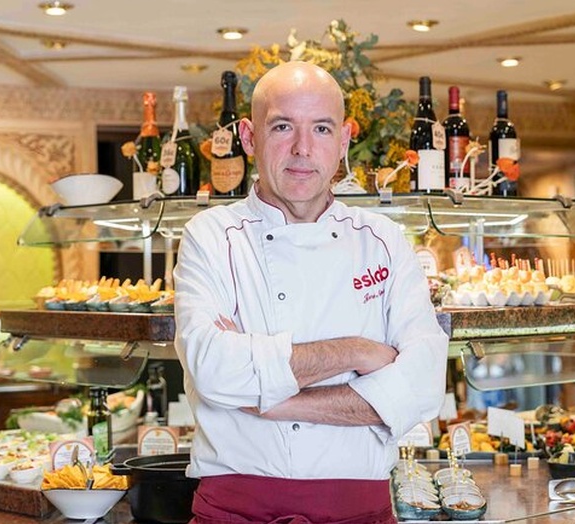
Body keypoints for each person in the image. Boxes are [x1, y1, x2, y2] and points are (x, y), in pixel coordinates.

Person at [174, 61, 448, 524]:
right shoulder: (211, 235)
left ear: (343, 140)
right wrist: (356, 351)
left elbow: (422, 387)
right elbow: (214, 369)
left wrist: (271, 398)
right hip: (235, 510)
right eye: (283, 126)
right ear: (248, 136)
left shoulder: (382, 239)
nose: (303, 149)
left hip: (358, 510)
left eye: (321, 129)